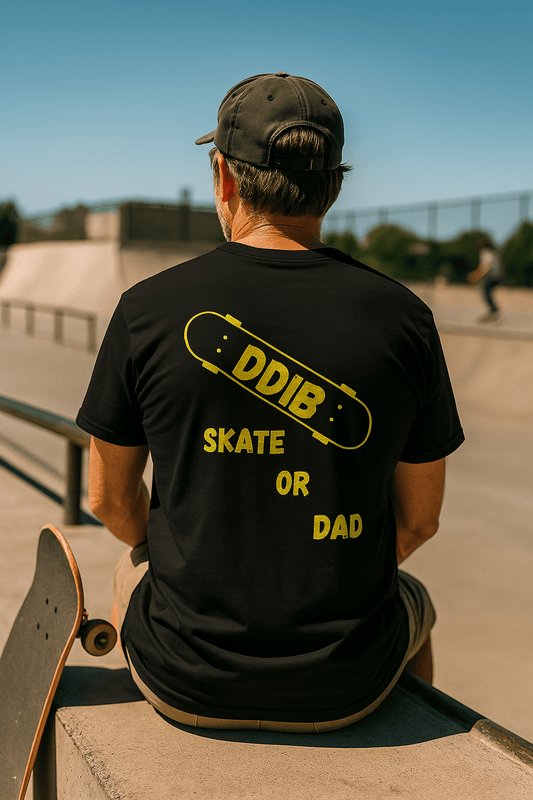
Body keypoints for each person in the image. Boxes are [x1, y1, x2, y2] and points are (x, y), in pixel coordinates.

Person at [77, 72, 464, 733]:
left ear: (224, 179)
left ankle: (142, 727)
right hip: (344, 690)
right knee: (414, 604)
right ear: (332, 186)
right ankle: (404, 738)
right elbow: (419, 522)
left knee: (127, 565)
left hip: (187, 682)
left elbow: (108, 500)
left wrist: (195, 555)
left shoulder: (147, 309)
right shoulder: (405, 319)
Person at [467, 236, 504, 322]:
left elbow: (485, 267)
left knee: (485, 290)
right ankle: (493, 310)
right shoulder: (493, 252)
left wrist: (475, 275)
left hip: (493, 276)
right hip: (497, 276)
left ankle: (494, 311)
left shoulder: (486, 252)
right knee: (486, 291)